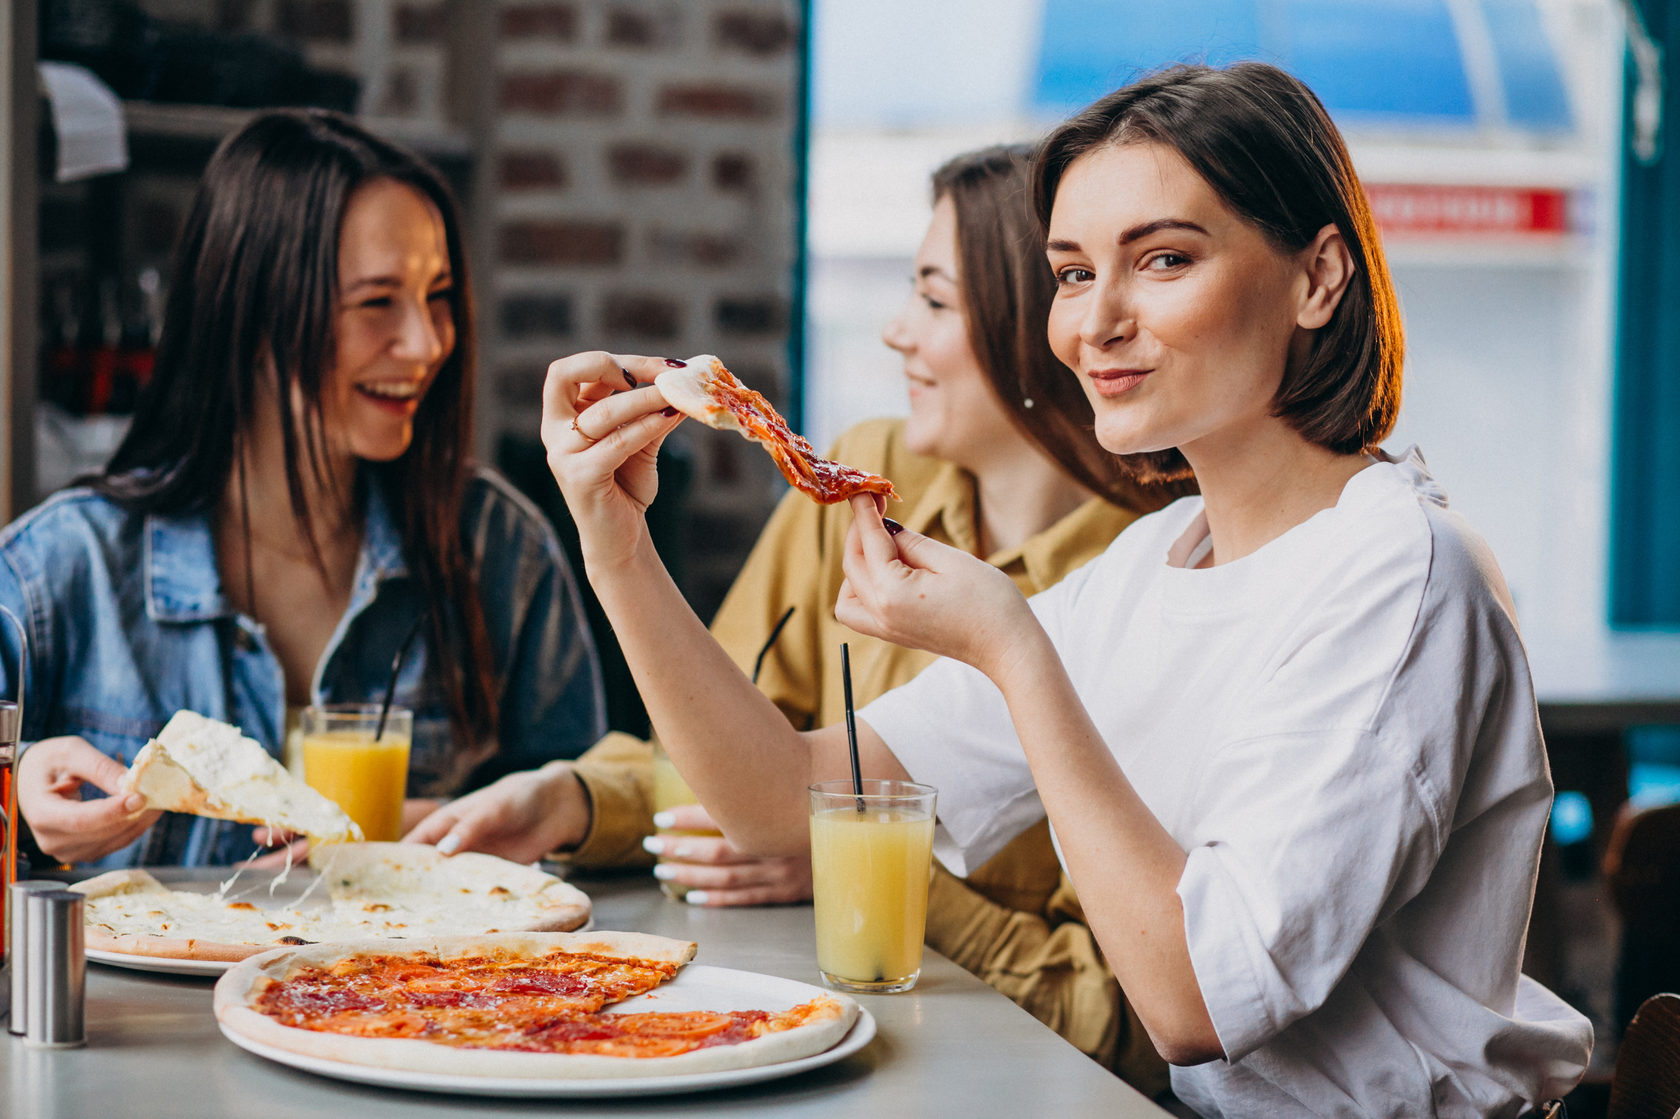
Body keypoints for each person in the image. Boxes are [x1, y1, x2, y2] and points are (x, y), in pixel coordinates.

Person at [527, 62, 1597, 1114]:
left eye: (1164, 260)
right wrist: (618, 547)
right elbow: (779, 805)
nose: (1096, 323)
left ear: (1319, 278)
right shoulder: (1161, 557)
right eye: (1075, 273)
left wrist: (1009, 646)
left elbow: (1192, 1003)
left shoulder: (1402, 575)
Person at [411, 145, 1181, 1093]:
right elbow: (739, 754)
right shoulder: (859, 482)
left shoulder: (1142, 590)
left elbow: (1127, 1019)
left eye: (935, 302)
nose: (898, 332)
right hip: (773, 1009)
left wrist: (866, 872)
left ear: (1035, 333)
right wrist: (574, 798)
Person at [0, 109, 605, 870]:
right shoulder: (54, 571)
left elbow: (598, 828)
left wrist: (497, 823)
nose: (426, 343)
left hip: (401, 989)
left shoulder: (497, 549)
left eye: (439, 293)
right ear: (251, 315)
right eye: (377, 301)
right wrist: (12, 802)